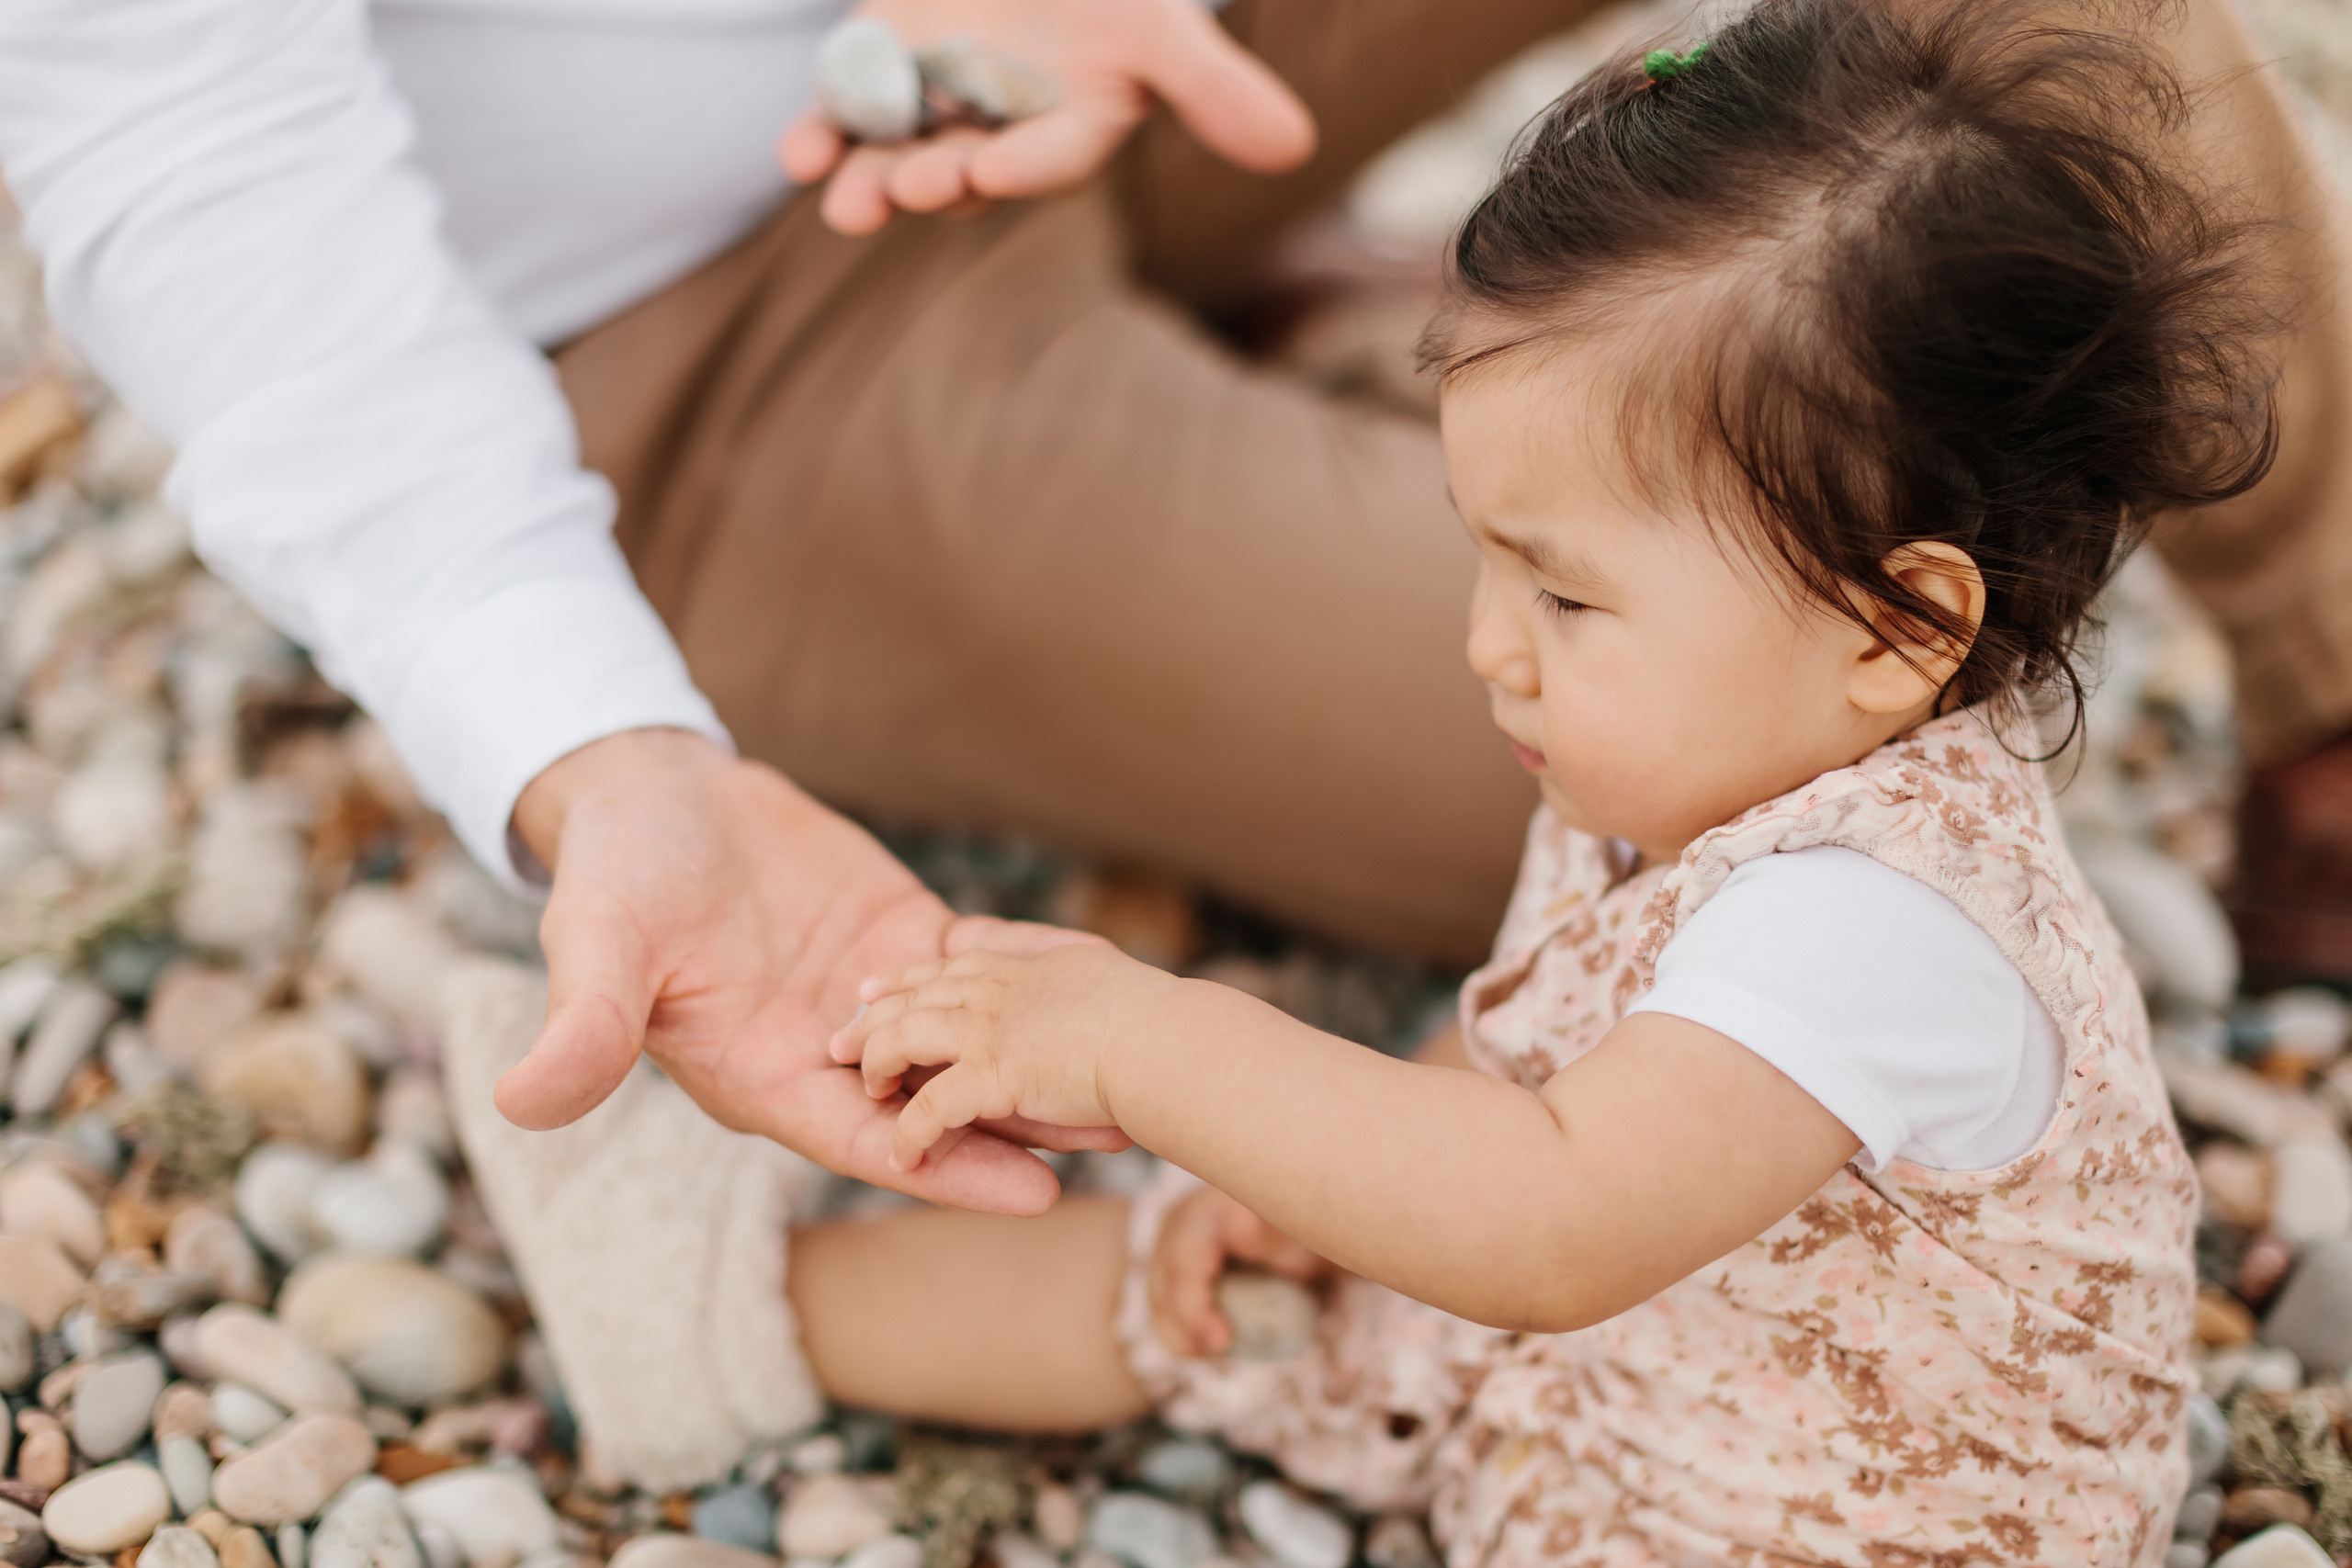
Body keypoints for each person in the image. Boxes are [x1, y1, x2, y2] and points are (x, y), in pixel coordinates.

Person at [3, 0, 2347, 1224]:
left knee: (2022, 171)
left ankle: (2327, 670)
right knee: (1652, 773)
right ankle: (1460, 429)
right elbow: (173, 146)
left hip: (1094, 43)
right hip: (685, 331)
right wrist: (594, 735)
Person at [776, 1, 2269, 1559]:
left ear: (1899, 624)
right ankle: (734, 1319)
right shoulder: (1710, 755)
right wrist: (1298, 1184)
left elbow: (1550, 1221)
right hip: (1607, 1391)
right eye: (1483, 559)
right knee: (1188, 1278)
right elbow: (1536, 1049)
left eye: (1563, 597)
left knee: (1264, 1255)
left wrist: (1154, 1050)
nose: (1491, 646)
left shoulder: (1875, 930)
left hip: (1798, 1521)